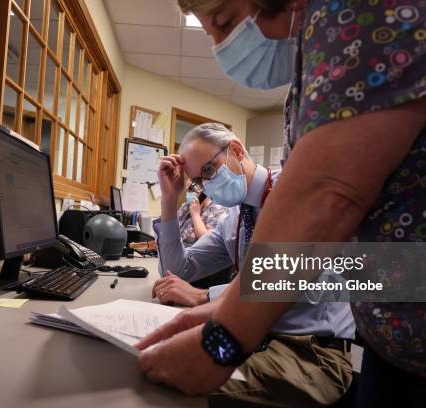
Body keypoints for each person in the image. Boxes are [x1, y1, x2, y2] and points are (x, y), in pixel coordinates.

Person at [137, 0, 426, 406]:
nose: (222, 46)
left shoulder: (373, 10)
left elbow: (329, 198)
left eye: (225, 22)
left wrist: (220, 338)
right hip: (399, 339)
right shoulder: (311, 78)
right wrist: (209, 313)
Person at [150, 122, 355, 406]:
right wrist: (170, 200)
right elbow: (178, 270)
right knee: (158, 365)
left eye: (209, 170)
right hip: (248, 337)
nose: (207, 185)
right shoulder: (231, 221)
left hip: (308, 351)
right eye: (199, 181)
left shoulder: (299, 190)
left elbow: (310, 281)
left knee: (177, 391)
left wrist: (205, 296)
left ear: (235, 150)